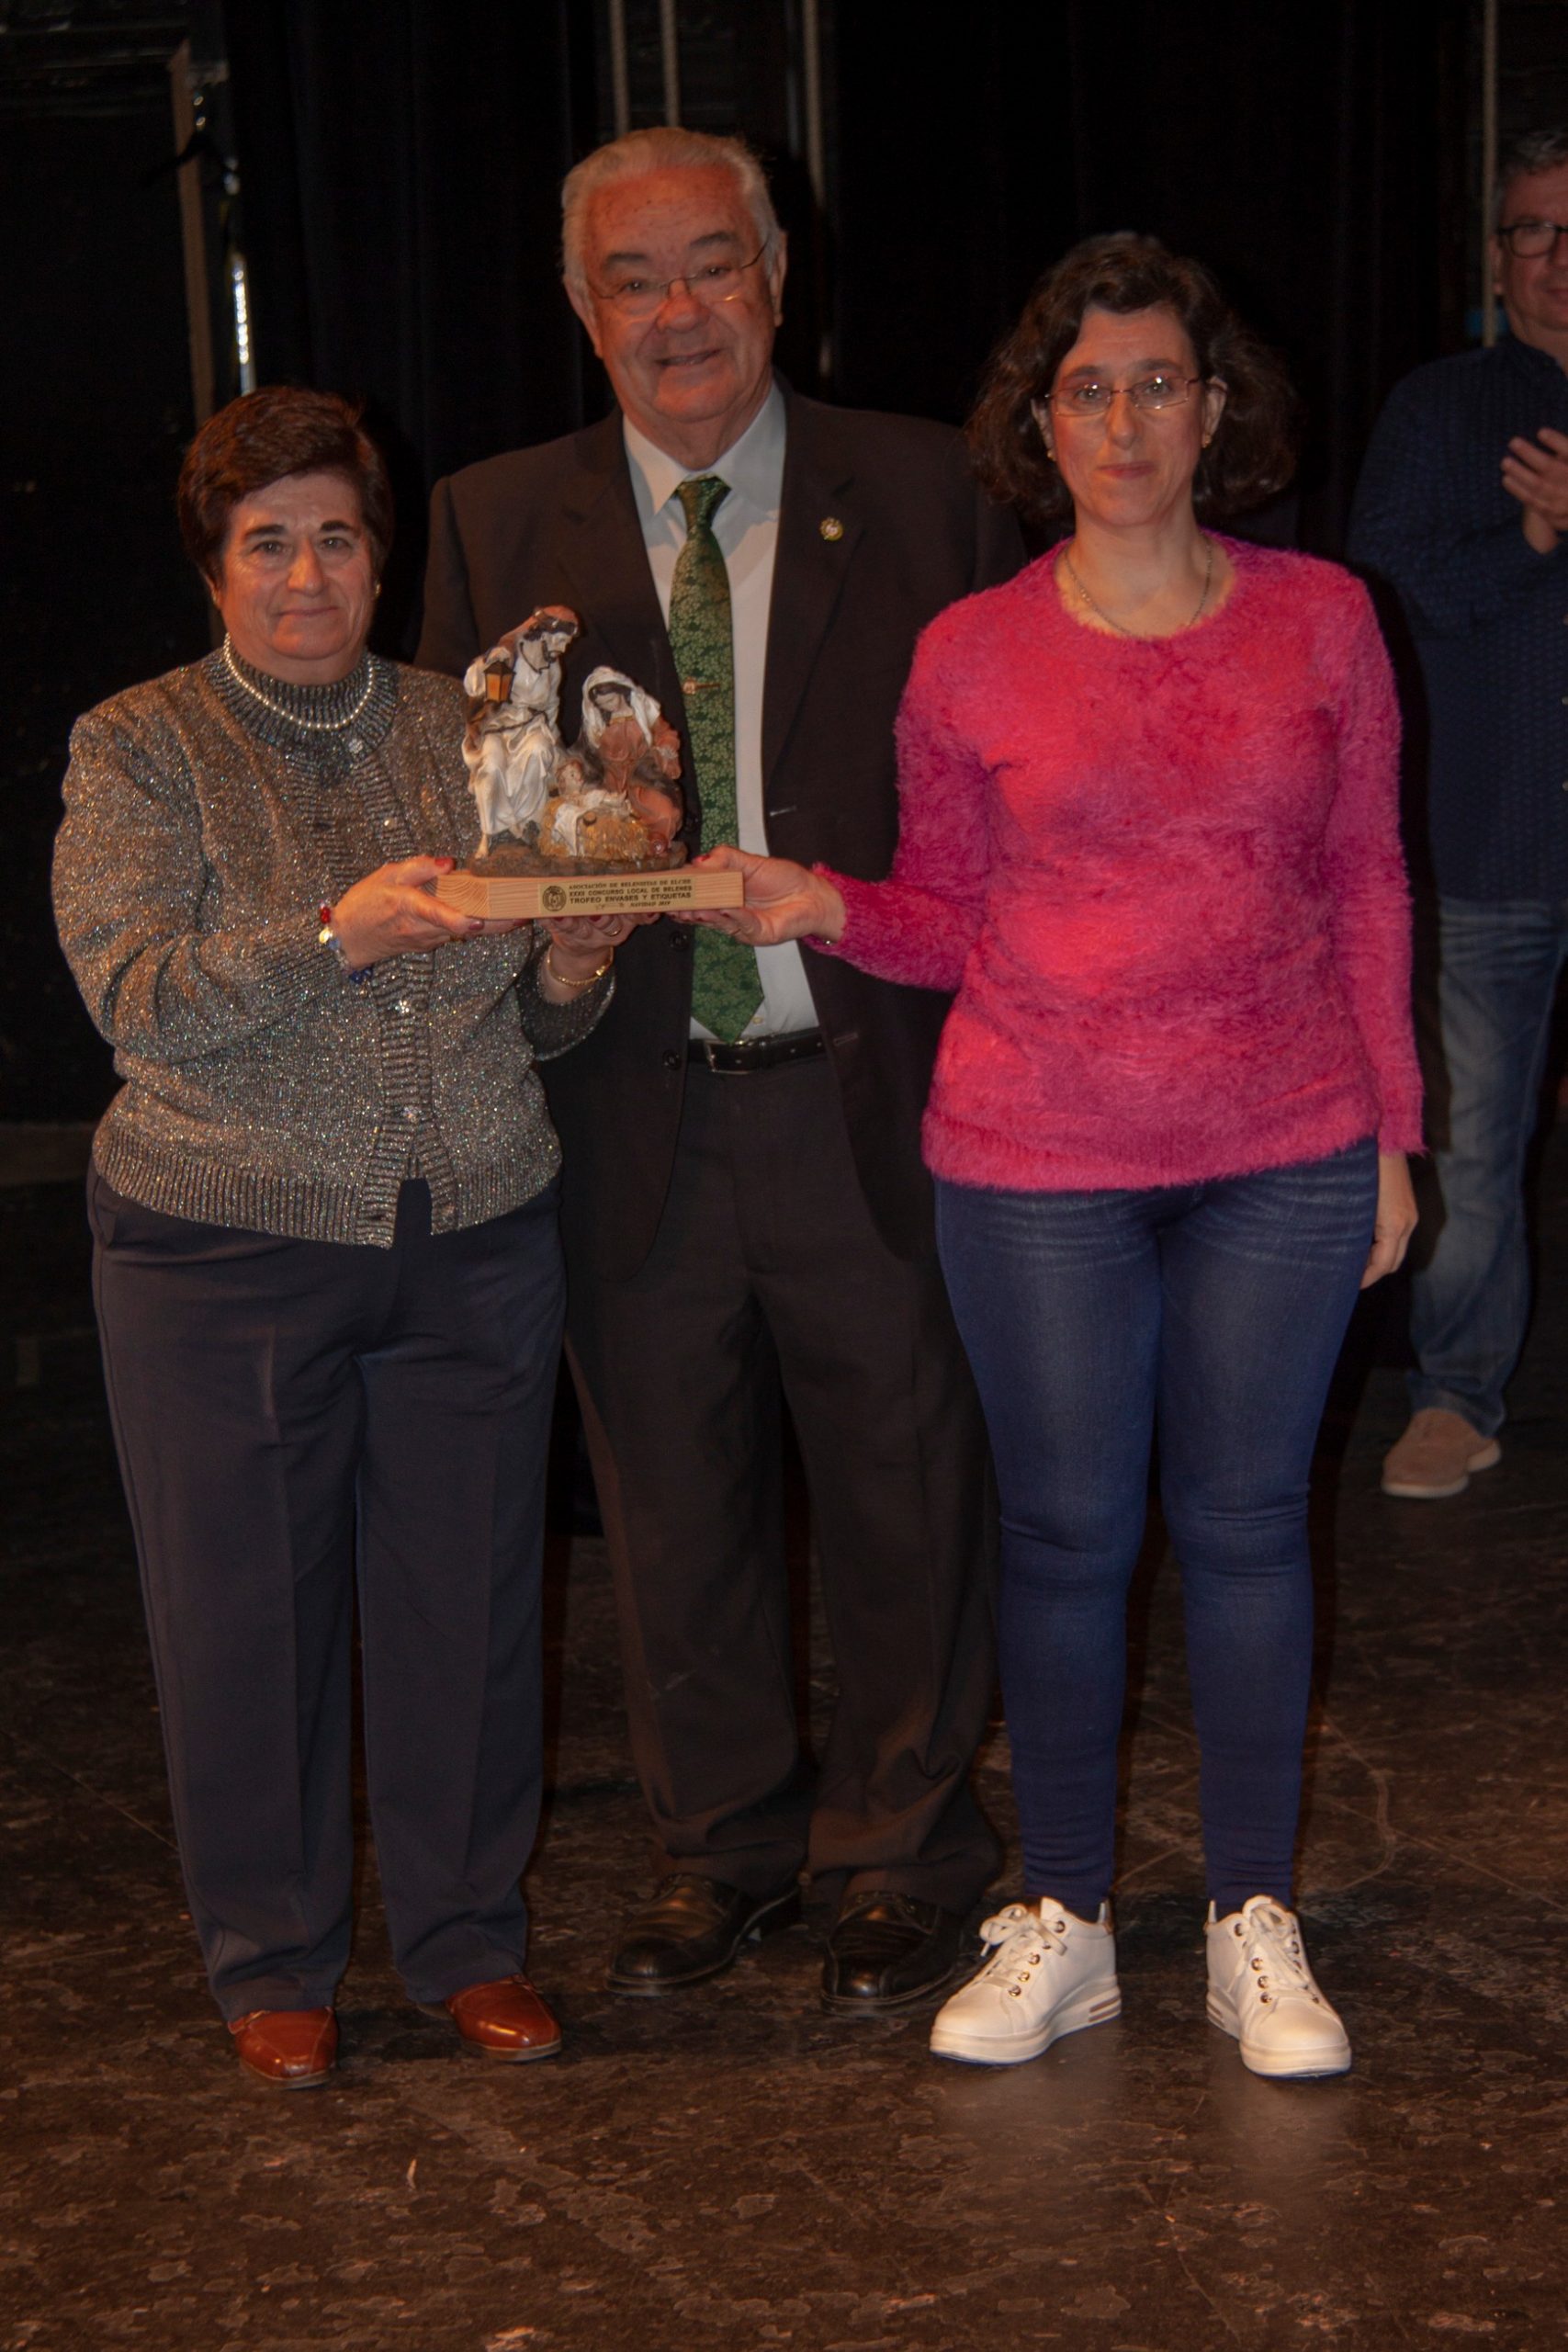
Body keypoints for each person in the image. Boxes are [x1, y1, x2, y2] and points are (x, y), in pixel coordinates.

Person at [691, 235, 1422, 2078]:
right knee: (1065, 1536)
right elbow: (950, 916)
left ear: (1214, 408)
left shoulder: (1323, 619)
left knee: (1247, 1529)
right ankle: (1071, 1916)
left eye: (1157, 382)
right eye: (1085, 389)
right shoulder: (970, 650)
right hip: (1033, 1162)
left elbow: (1366, 882)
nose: (1123, 420)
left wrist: (1396, 1135)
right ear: (1040, 422)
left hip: (1281, 1144)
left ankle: (1251, 1915)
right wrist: (823, 901)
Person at [418, 127, 1024, 2016]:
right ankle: (722, 1847)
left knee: (909, 1486)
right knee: (669, 1504)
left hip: (869, 1083)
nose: (677, 311)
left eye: (711, 265)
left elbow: (1010, 806)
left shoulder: (930, 491)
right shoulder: (487, 521)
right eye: (633, 277)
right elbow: (456, 813)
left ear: (775, 278)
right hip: (627, 1095)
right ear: (580, 305)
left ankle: (901, 1845)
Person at [52, 386, 637, 2088]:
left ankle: (468, 1944)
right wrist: (336, 933)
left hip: (475, 1235)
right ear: (214, 567)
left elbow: (530, 1018)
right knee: (244, 1622)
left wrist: (576, 965)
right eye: (267, 543)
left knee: (472, 1610)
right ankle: (274, 1960)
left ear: (382, 561)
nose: (305, 575)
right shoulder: (139, 743)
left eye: (336, 537)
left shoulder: (468, 729)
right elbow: (136, 994)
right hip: (220, 1247)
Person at [1350, 127, 1568, 1500]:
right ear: (1497, 259)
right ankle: (1455, 1397)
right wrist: (1534, 536)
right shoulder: (1439, 408)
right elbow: (1383, 589)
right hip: (1492, 839)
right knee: (1475, 1141)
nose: (1559, 257)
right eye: (1534, 230)